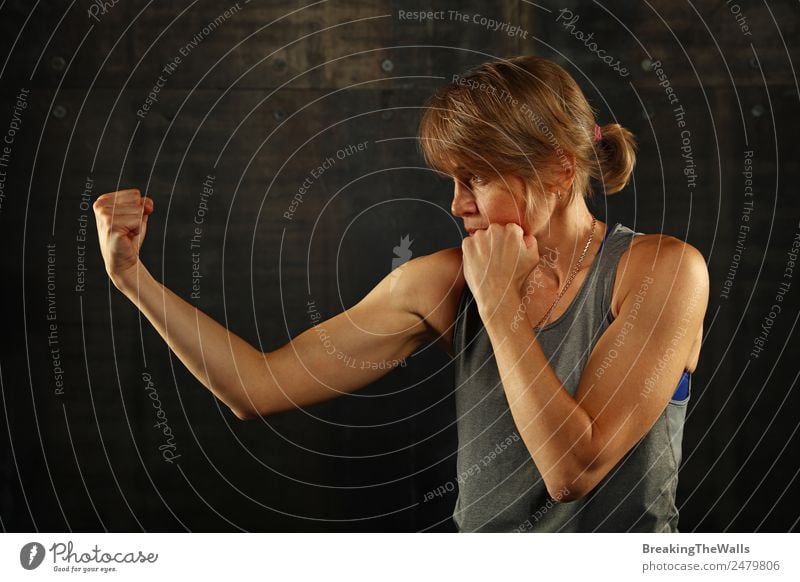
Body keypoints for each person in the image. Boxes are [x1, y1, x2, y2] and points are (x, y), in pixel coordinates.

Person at [93, 55, 709, 532]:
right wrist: (132, 280)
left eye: (478, 178)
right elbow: (256, 386)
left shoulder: (661, 273)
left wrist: (496, 305)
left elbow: (573, 469)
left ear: (557, 170)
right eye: (452, 180)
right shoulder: (441, 283)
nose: (457, 204)